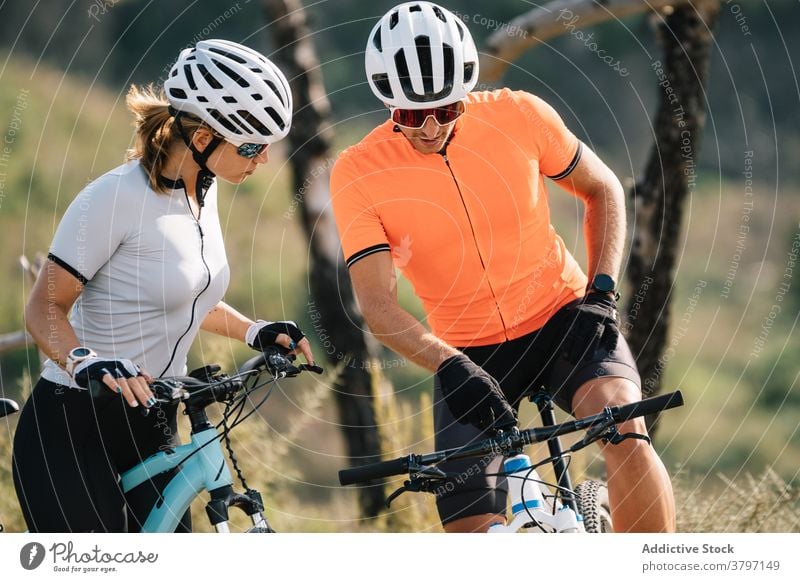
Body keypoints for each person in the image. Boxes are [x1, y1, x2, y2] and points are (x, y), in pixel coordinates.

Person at [330, 2, 675, 533]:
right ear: (385, 102)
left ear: (465, 90)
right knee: (469, 529)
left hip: (565, 317)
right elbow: (376, 305)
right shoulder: (357, 172)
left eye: (445, 110)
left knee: (624, 430)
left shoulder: (519, 114)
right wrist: (448, 365)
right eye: (408, 115)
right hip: (467, 354)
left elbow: (602, 189)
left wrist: (601, 295)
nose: (427, 128)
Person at [13, 39, 317, 533]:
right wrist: (86, 360)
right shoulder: (115, 197)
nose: (262, 159)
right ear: (201, 139)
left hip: (151, 420)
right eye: (251, 146)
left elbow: (182, 296)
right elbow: (43, 308)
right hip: (72, 425)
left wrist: (252, 330)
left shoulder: (203, 193)